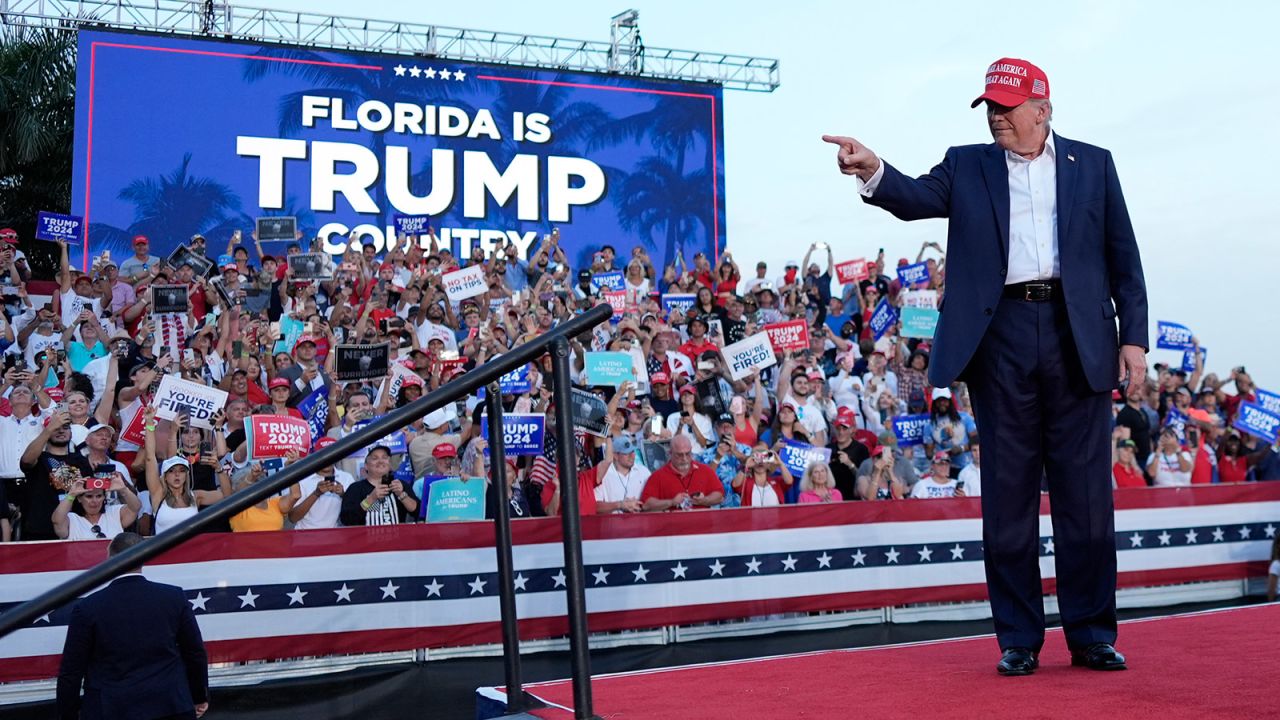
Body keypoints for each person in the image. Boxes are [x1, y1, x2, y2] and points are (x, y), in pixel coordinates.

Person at [825, 57, 1147, 674]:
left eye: (1007, 105)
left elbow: (1123, 259)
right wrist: (874, 170)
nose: (997, 116)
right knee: (1008, 497)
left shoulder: (1094, 164)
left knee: (1085, 498)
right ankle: (1019, 638)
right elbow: (915, 197)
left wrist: (1132, 339)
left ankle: (1090, 633)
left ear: (1042, 109)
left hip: (1078, 336)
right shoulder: (967, 164)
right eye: (990, 106)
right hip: (999, 339)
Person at [56, 532, 210, 720]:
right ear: (144, 557)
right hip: (170, 704)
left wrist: (68, 715)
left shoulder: (88, 608)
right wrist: (199, 696)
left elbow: (71, 671)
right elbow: (195, 653)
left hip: (112, 709)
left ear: (110, 559)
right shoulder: (174, 597)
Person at [640, 435, 723, 512]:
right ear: (670, 453)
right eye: (679, 455)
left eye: (687, 454)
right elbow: (646, 505)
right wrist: (671, 502)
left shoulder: (705, 470)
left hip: (702, 525)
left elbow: (719, 496)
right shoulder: (658, 476)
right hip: (671, 526)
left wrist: (704, 500)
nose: (684, 458)